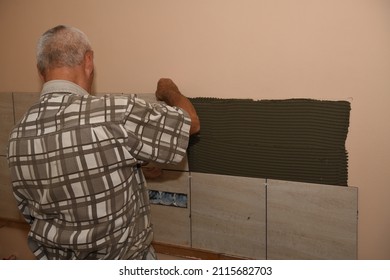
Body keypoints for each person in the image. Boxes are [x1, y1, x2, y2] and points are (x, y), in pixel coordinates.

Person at [7, 25, 200, 260]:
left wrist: (133, 167)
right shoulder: (114, 113)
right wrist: (169, 91)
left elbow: (31, 210)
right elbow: (191, 122)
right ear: (88, 61)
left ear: (40, 71)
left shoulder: (18, 135)